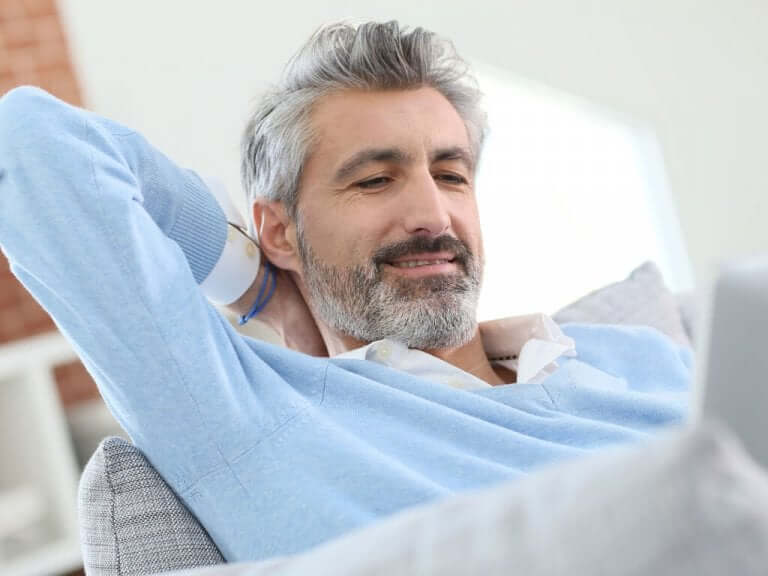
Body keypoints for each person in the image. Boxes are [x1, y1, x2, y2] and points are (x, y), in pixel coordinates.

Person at [0, 21, 690, 562]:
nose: (432, 215)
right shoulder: (257, 415)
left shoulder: (634, 358)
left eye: (451, 175)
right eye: (374, 180)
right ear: (280, 231)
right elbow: (29, 141)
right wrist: (257, 289)